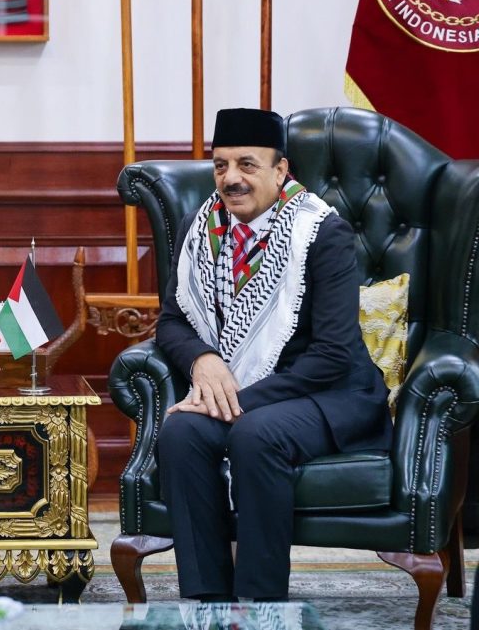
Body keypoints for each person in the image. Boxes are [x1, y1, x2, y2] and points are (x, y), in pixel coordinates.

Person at [154, 108, 393, 602]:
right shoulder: (201, 227)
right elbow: (172, 321)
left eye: (247, 164)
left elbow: (332, 354)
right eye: (221, 166)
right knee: (181, 432)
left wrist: (233, 400)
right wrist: (203, 360)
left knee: (255, 433)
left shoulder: (321, 232)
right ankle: (206, 602)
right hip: (238, 389)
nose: (231, 179)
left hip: (329, 392)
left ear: (281, 170)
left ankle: (261, 605)